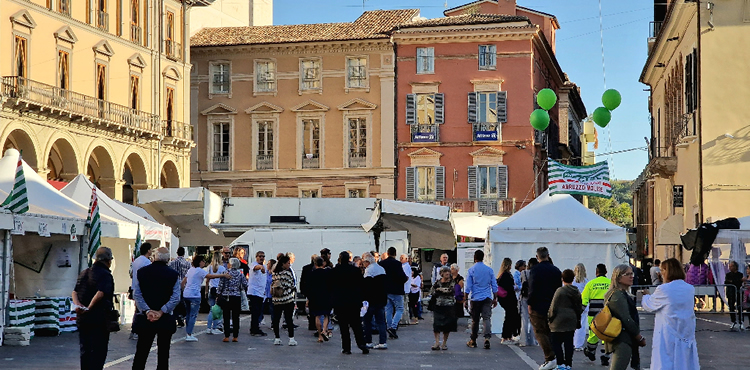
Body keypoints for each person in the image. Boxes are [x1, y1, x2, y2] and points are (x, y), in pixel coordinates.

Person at [641, 258, 699, 370]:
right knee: (684, 362)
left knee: (666, 362)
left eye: (662, 270)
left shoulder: (664, 289)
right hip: (685, 331)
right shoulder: (689, 289)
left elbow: (650, 305)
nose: (661, 273)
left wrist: (646, 295)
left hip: (668, 331)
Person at [132, 247, 181, 370]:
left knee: (141, 352)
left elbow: (137, 294)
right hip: (165, 318)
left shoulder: (142, 272)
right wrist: (162, 311)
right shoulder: (173, 275)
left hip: (146, 318)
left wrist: (147, 310)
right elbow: (176, 297)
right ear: (168, 259)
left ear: (154, 257)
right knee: (164, 354)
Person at [73, 246, 115, 370]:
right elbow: (101, 292)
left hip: (82, 318)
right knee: (98, 351)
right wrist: (89, 307)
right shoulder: (105, 275)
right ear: (108, 261)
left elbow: (74, 292)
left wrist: (78, 305)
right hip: (99, 319)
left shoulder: (84, 272)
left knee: (85, 350)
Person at [605, 264, 645, 370]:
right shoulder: (617, 296)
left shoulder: (621, 294)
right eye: (627, 274)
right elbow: (626, 319)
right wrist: (639, 337)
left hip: (622, 338)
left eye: (632, 273)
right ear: (618, 277)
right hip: (622, 340)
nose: (632, 276)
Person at [527, 247, 562, 370]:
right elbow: (559, 289)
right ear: (548, 255)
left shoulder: (534, 270)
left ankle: (550, 358)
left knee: (539, 332)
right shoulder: (556, 270)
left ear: (537, 257)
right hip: (553, 305)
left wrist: (530, 304)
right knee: (551, 332)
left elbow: (532, 288)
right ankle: (557, 358)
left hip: (538, 305)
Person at [182, 255, 227, 342]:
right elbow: (210, 276)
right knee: (193, 315)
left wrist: (184, 290)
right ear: (199, 262)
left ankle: (187, 332)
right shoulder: (200, 270)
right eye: (203, 261)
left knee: (188, 314)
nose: (204, 263)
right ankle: (189, 334)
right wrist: (223, 275)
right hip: (195, 295)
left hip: (186, 294)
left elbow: (183, 282)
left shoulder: (191, 270)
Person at [332, 251, 369, 354]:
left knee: (343, 327)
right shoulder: (355, 271)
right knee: (356, 325)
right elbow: (362, 285)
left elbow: (331, 287)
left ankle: (346, 348)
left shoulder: (335, 271)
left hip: (340, 302)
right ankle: (362, 344)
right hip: (354, 302)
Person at [548, 269, 583, 370]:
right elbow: (579, 307)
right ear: (573, 278)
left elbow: (553, 307)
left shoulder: (560, 291)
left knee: (556, 343)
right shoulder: (576, 291)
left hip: (558, 321)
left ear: (562, 279)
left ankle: (560, 363)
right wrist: (577, 320)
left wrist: (550, 318)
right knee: (568, 343)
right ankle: (568, 364)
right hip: (571, 320)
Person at [464, 250, 498, 350]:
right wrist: (495, 297)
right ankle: (487, 338)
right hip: (487, 297)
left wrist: (465, 298)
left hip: (476, 298)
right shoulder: (489, 270)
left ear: (474, 258)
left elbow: (468, 286)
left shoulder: (471, 270)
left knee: (475, 320)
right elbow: (494, 285)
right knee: (486, 318)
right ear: (483, 257)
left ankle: (473, 340)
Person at [582, 264, 611, 365]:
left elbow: (584, 300)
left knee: (593, 333)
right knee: (606, 335)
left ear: (596, 272)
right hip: (607, 314)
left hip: (593, 314)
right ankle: (605, 356)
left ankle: (591, 352)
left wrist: (578, 312)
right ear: (606, 272)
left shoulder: (590, 284)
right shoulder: (611, 283)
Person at [379, 247, 408, 339]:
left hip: (385, 290)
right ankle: (393, 327)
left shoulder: (382, 263)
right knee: (399, 309)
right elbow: (401, 276)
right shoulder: (397, 264)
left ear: (387, 253)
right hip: (396, 290)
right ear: (395, 254)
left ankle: (389, 326)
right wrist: (405, 279)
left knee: (388, 310)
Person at [217, 257, 249, 342]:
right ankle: (235, 336)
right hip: (236, 296)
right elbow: (245, 284)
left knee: (226, 316)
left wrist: (218, 294)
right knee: (236, 316)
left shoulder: (225, 273)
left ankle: (227, 336)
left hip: (226, 296)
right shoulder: (240, 274)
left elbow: (220, 285)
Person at [362, 252, 388, 349]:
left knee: (367, 321)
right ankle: (383, 341)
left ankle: (368, 341)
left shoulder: (369, 271)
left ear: (367, 262)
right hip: (381, 299)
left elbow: (366, 286)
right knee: (381, 321)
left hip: (371, 300)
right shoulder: (381, 269)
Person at [429, 265, 457, 350]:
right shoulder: (437, 282)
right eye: (445, 272)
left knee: (447, 326)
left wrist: (439, 290)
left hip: (449, 306)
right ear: (441, 273)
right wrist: (440, 290)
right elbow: (432, 291)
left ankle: (444, 343)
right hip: (438, 305)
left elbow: (451, 291)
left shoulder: (452, 282)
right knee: (436, 325)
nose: (447, 273)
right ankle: (437, 342)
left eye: (448, 271)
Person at [271, 254, 297, 346]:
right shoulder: (287, 273)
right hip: (287, 299)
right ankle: (291, 339)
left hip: (276, 300)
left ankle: (277, 338)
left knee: (276, 319)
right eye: (288, 263)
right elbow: (291, 285)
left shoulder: (275, 274)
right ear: (283, 264)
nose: (289, 265)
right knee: (289, 319)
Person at [307, 257, 333, 342]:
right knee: (326, 315)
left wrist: (309, 298)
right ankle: (324, 330)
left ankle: (319, 335)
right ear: (323, 264)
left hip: (315, 297)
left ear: (315, 264)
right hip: (326, 296)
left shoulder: (312, 274)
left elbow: (309, 287)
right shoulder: (328, 273)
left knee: (317, 316)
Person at [129, 243, 152, 340]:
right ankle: (136, 330)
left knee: (137, 310)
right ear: (148, 250)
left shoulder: (136, 261)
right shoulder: (147, 262)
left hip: (134, 287)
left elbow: (131, 273)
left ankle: (135, 330)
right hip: (142, 290)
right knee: (141, 311)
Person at [497, 258, 520, 345]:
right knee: (510, 317)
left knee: (509, 316)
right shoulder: (507, 275)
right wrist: (515, 287)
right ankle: (506, 336)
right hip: (509, 299)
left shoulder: (501, 275)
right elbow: (509, 287)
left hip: (504, 299)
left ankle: (507, 336)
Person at [168, 246, 191, 328]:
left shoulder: (172, 263)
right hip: (185, 285)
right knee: (184, 301)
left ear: (177, 253)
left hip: (175, 284)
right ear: (184, 253)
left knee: (176, 301)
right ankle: (183, 316)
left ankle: (177, 317)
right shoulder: (188, 264)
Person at [247, 251, 268, 336]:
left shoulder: (265, 266)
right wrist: (261, 267)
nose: (261, 258)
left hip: (260, 293)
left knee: (259, 312)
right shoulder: (253, 264)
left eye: (263, 256)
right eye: (260, 256)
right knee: (255, 312)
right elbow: (256, 267)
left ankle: (256, 327)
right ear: (256, 257)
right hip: (254, 292)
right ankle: (254, 329)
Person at [205, 251, 226, 334]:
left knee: (211, 309)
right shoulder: (222, 268)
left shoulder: (209, 267)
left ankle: (208, 327)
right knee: (217, 310)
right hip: (218, 290)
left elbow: (207, 280)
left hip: (211, 289)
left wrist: (206, 291)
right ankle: (215, 327)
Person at [519, 258, 538, 347]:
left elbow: (521, 282)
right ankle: (533, 340)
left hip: (524, 296)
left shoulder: (524, 273)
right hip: (534, 297)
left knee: (524, 318)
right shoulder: (537, 273)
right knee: (533, 319)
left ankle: (523, 340)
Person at [572, 263, 589, 350]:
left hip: (572, 305)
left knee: (572, 325)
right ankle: (578, 344)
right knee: (581, 325)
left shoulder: (572, 281)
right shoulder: (586, 281)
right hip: (583, 305)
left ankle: (571, 342)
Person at [300, 254, 318, 331]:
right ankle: (313, 323)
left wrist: (303, 290)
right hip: (314, 291)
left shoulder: (306, 268)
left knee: (311, 308)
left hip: (309, 291)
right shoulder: (315, 269)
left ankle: (311, 323)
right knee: (315, 308)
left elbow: (303, 280)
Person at [725, 261, 744, 330]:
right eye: (729, 266)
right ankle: (733, 321)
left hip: (738, 292)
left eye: (731, 266)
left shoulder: (740, 274)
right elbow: (726, 281)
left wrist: (733, 281)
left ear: (735, 267)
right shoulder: (728, 275)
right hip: (730, 293)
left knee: (739, 307)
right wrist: (734, 281)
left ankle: (741, 322)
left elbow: (739, 282)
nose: (730, 268)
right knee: (731, 307)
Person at [262, 258, 276, 327]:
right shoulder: (265, 272)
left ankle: (274, 323)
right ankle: (259, 320)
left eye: (268, 264)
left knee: (272, 309)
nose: (267, 265)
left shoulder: (274, 274)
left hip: (272, 294)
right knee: (260, 308)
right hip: (264, 293)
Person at [400, 254, 412, 325]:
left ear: (406, 259)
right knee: (405, 305)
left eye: (402, 258)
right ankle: (406, 319)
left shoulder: (406, 267)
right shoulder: (404, 266)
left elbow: (406, 277)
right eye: (400, 258)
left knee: (404, 305)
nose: (401, 259)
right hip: (405, 288)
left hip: (404, 288)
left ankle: (404, 320)